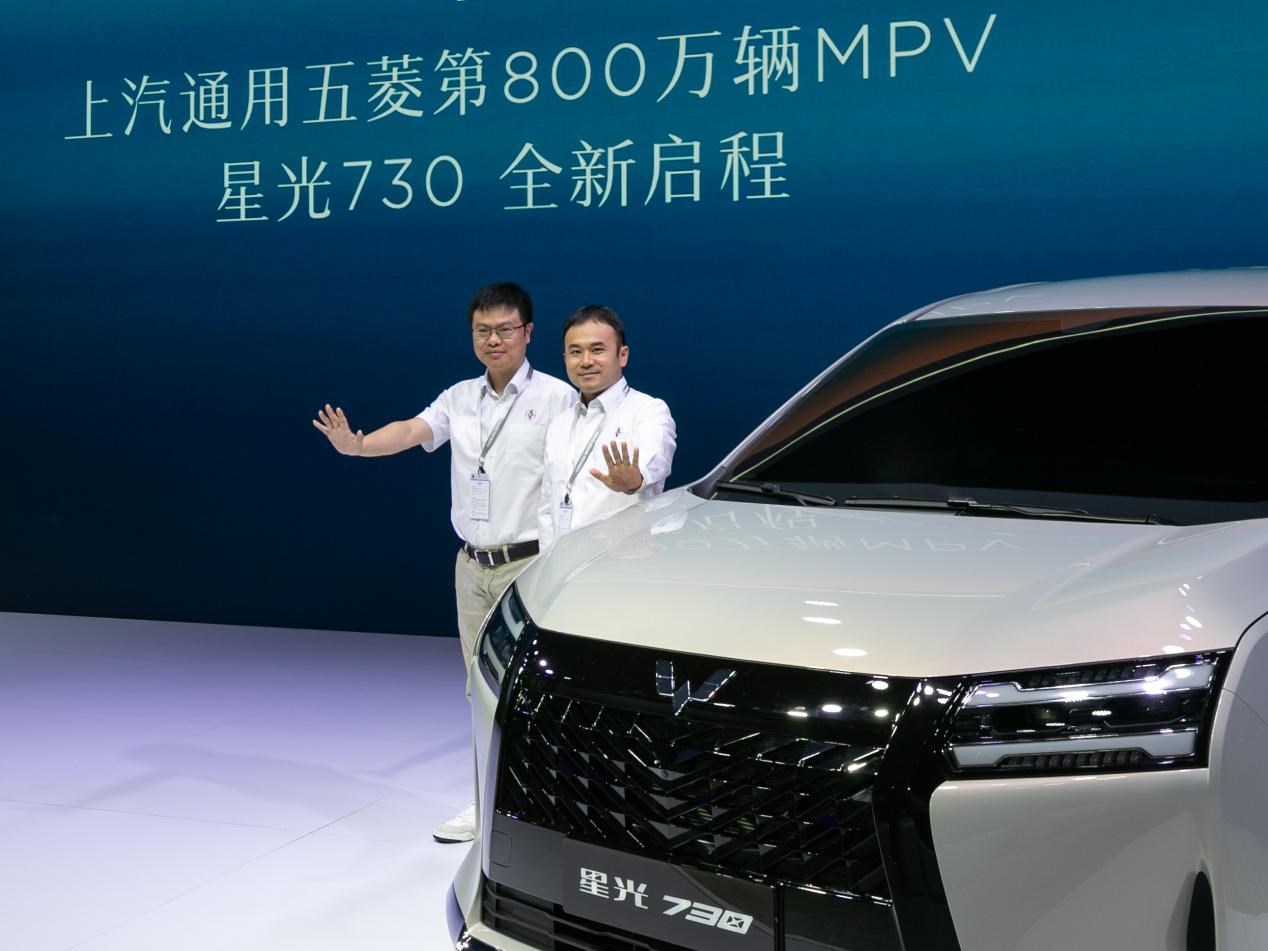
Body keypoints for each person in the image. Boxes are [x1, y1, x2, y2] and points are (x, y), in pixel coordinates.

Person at [312, 282, 575, 843]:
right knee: (479, 688)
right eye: (483, 331)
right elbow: (412, 431)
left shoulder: (558, 399)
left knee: (533, 691)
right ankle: (485, 803)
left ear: (529, 333)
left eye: (505, 329)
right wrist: (359, 446)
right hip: (471, 566)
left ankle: (546, 805)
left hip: (529, 565)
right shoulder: (460, 397)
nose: (494, 340)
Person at [538, 305, 676, 548]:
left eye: (597, 350)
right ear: (565, 359)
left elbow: (655, 462)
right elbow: (547, 508)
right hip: (560, 562)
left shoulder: (648, 411)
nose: (586, 361)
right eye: (575, 352)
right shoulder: (559, 424)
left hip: (619, 561)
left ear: (622, 355)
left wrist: (635, 480)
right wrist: (545, 562)